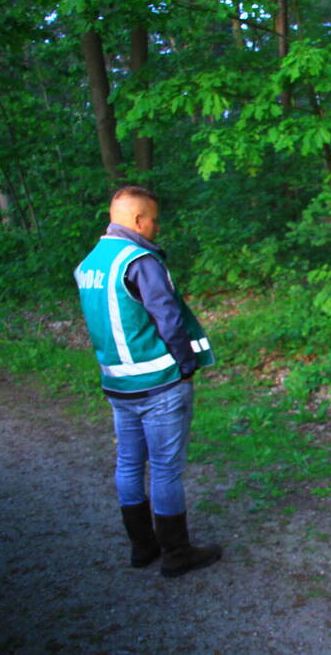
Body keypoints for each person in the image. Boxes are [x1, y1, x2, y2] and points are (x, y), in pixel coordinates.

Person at [74, 185, 222, 578]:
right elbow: (168, 317)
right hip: (159, 384)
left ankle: (143, 547)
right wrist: (186, 364)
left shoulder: (90, 262)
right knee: (165, 470)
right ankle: (176, 554)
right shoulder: (139, 260)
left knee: (127, 463)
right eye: (153, 219)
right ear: (138, 220)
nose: (156, 227)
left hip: (118, 384)